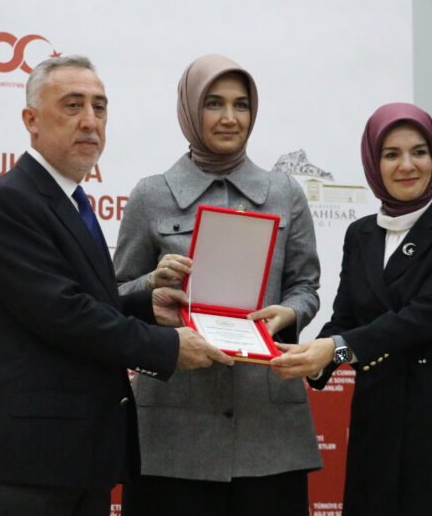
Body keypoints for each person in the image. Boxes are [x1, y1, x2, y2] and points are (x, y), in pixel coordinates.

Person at [0, 56, 233, 516]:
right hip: (27, 459)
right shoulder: (10, 201)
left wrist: (146, 306)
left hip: (77, 456)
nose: (90, 121)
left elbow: (85, 302)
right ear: (31, 120)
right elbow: (63, 314)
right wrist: (166, 346)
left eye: (99, 108)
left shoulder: (70, 200)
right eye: (72, 105)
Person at [270, 103, 432, 515]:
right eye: (391, 154)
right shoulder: (361, 234)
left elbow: (421, 317)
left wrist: (336, 349)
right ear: (373, 162)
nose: (407, 165)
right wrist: (310, 359)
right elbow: (345, 318)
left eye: (419, 152)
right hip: (380, 420)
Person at [113, 54, 322, 516]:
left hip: (268, 429)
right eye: (214, 103)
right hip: (174, 429)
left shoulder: (285, 193)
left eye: (241, 105)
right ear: (191, 110)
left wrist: (288, 313)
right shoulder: (151, 195)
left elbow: (306, 287)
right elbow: (115, 295)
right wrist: (152, 281)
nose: (230, 117)